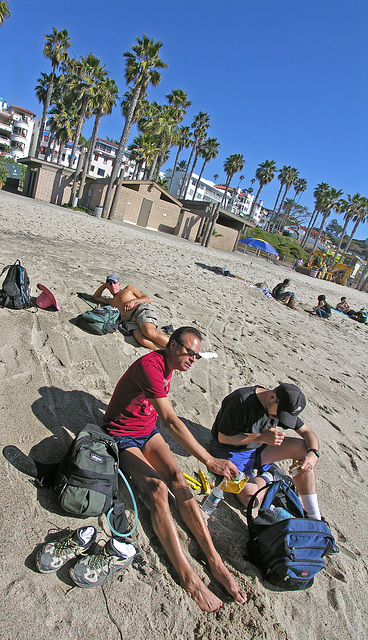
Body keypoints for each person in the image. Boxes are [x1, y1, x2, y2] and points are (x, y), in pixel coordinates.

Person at [80, 327, 245, 611]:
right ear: (171, 346)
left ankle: (215, 561)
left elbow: (159, 416)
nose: (192, 358)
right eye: (188, 351)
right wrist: (209, 460)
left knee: (179, 480)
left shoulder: (170, 364)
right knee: (157, 490)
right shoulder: (150, 367)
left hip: (146, 431)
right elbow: (169, 420)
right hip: (122, 435)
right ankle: (188, 576)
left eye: (196, 354)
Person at [209, 383, 322, 521]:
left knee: (304, 450)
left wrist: (313, 453)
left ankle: (314, 516)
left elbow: (307, 432)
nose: (278, 419)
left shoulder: (279, 407)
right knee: (251, 500)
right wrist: (262, 437)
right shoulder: (241, 400)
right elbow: (223, 437)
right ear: (272, 396)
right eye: (278, 414)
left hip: (259, 447)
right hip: (231, 450)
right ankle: (270, 475)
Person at [93, 274, 169, 351]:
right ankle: (165, 352)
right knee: (142, 340)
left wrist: (134, 301)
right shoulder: (110, 301)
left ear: (119, 284)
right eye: (109, 284)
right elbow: (95, 297)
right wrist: (104, 285)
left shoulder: (128, 289)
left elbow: (147, 299)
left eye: (114, 282)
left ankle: (178, 347)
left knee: (148, 332)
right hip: (129, 322)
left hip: (140, 310)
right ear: (107, 287)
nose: (113, 285)